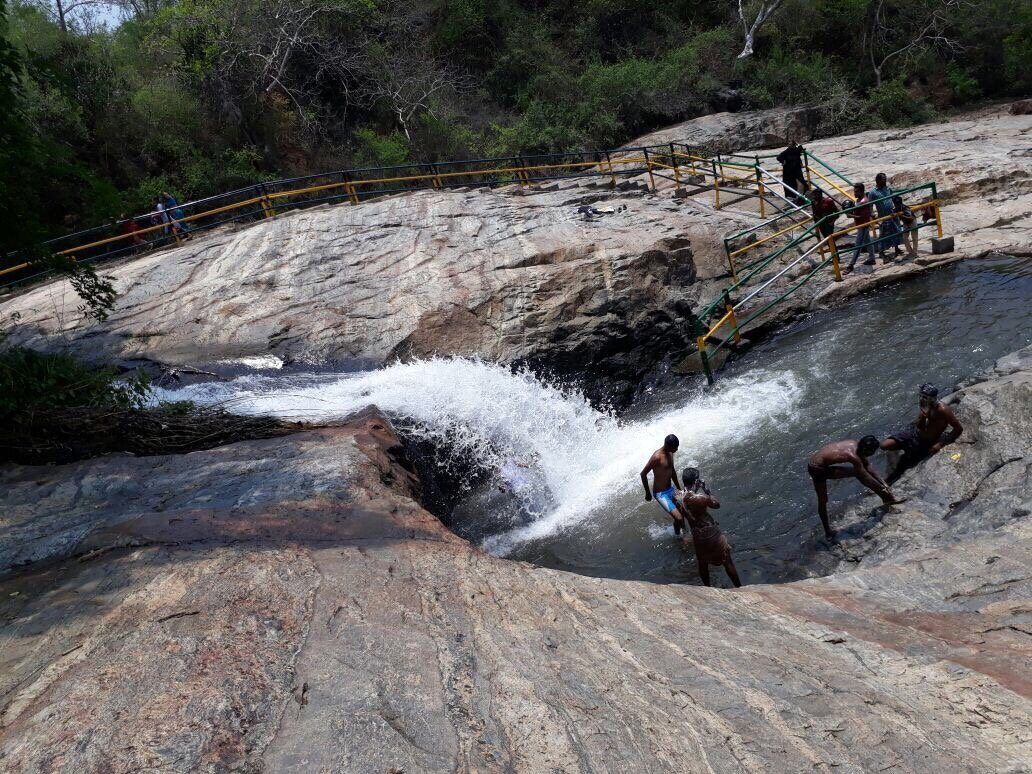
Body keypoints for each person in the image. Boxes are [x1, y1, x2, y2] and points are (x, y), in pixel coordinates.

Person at [808, 436, 905, 541]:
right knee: (823, 500)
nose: (872, 455)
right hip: (817, 468)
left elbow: (867, 465)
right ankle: (828, 532)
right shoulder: (853, 456)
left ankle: (887, 498)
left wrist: (882, 481)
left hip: (817, 462)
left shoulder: (856, 444)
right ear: (866, 450)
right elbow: (866, 476)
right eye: (872, 452)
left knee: (858, 472)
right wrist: (883, 489)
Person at [881, 383, 963, 485]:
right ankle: (902, 450)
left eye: (925, 397)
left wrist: (941, 443)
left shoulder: (943, 410)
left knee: (903, 463)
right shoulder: (925, 406)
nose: (922, 399)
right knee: (884, 445)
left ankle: (887, 481)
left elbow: (958, 428)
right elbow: (920, 426)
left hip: (926, 442)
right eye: (921, 396)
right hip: (914, 434)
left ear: (932, 398)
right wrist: (924, 415)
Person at [674, 467, 742, 588]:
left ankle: (707, 588)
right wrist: (707, 490)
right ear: (695, 481)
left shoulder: (678, 498)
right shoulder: (699, 498)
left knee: (702, 562)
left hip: (697, 535)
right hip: (710, 533)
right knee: (726, 558)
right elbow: (716, 505)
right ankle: (739, 587)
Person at [641, 434, 683, 533]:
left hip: (671, 489)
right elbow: (643, 474)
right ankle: (678, 538)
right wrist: (647, 493)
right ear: (668, 446)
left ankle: (680, 532)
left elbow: (672, 471)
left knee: (683, 511)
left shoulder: (670, 452)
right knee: (679, 518)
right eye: (675, 448)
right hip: (661, 494)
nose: (676, 450)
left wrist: (679, 488)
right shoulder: (657, 457)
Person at [871, 173, 902, 260]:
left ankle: (897, 248)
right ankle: (881, 252)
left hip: (892, 214)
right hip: (883, 216)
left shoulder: (888, 189)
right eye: (883, 180)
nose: (885, 181)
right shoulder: (873, 192)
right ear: (877, 180)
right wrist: (874, 216)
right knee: (883, 235)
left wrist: (897, 209)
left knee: (896, 231)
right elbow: (870, 206)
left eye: (885, 179)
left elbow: (894, 198)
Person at [846, 183, 876, 271]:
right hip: (861, 225)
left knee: (858, 246)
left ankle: (851, 265)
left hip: (863, 225)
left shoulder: (863, 201)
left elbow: (862, 217)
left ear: (862, 191)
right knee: (868, 241)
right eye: (854, 191)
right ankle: (872, 258)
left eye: (856, 192)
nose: (854, 194)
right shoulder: (858, 200)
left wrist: (850, 215)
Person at [776, 139, 808, 204]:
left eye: (791, 144)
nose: (790, 145)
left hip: (794, 170)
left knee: (800, 183)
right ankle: (798, 199)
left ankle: (799, 198)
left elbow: (800, 148)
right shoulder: (788, 151)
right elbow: (779, 157)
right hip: (790, 170)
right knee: (797, 184)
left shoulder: (794, 150)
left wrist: (783, 161)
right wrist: (783, 161)